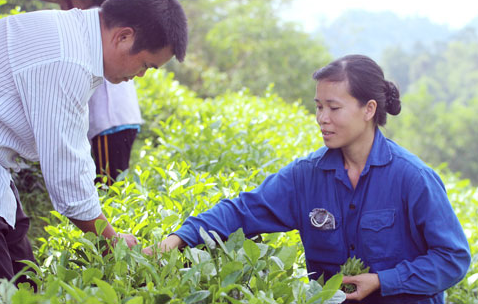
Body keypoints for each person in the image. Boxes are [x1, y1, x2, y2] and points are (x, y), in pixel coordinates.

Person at [145, 55, 471, 303]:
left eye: (333, 108)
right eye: (318, 107)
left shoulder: (412, 179)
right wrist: (178, 238)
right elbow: (243, 210)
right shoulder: (306, 176)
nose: (322, 119)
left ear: (369, 109)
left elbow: (453, 258)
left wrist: (384, 281)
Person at [0, 0, 188, 295]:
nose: (142, 75)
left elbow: (72, 154)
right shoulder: (69, 58)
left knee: (25, 282)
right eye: (146, 64)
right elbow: (66, 173)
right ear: (124, 37)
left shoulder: (75, 39)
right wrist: (111, 240)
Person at [29, 0, 145, 186]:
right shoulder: (106, 21)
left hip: (109, 120)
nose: (62, 5)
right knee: (112, 180)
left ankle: (107, 218)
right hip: (120, 118)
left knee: (108, 185)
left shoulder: (88, 22)